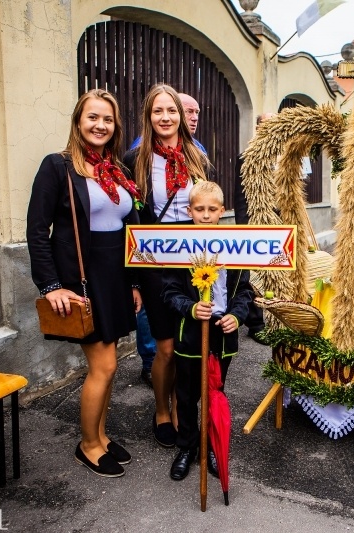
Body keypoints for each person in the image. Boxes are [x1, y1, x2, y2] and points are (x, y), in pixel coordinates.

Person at [27, 89, 142, 477]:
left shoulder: (117, 172)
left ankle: (102, 435)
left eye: (107, 119)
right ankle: (87, 444)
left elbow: (127, 229)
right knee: (105, 366)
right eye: (93, 117)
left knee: (110, 365)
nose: (100, 125)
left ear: (116, 126)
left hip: (115, 275)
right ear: (78, 121)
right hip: (82, 276)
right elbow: (37, 230)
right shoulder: (58, 166)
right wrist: (50, 285)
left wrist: (134, 283)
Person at [124, 84, 211, 448]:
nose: (165, 118)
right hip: (155, 261)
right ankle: (161, 409)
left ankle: (181, 408)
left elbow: (209, 206)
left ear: (180, 114)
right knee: (164, 347)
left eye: (171, 111)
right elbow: (128, 221)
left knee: (189, 344)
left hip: (194, 259)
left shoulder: (197, 157)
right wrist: (131, 280)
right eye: (158, 111)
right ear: (149, 116)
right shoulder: (134, 160)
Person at [161, 181, 253, 480]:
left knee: (215, 392)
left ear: (222, 212)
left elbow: (245, 292)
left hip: (221, 332)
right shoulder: (179, 246)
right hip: (191, 332)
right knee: (187, 395)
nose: (205, 214)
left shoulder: (237, 246)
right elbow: (169, 291)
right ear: (189, 210)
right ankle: (187, 446)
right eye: (199, 209)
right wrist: (189, 307)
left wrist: (237, 317)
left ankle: (211, 446)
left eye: (212, 209)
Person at [234, 113, 277, 344]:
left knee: (279, 272)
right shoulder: (246, 157)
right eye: (267, 125)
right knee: (252, 275)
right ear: (258, 128)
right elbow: (240, 196)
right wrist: (244, 225)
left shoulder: (285, 156)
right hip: (254, 221)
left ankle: (278, 315)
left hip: (280, 223)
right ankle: (256, 323)